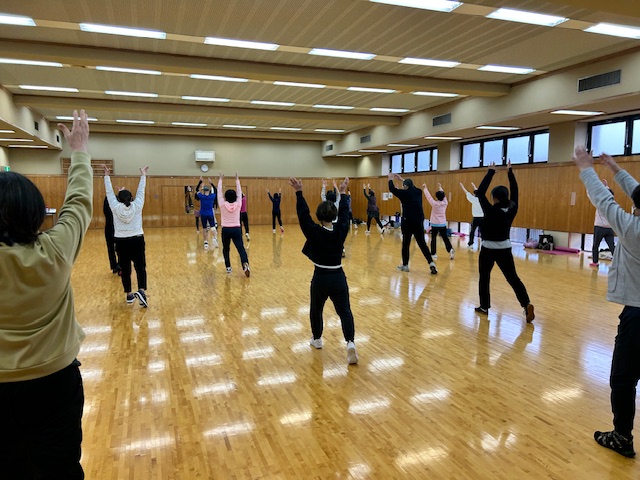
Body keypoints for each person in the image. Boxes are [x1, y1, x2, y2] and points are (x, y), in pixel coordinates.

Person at [0, 110, 90, 479]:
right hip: (55, 383)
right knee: (61, 469)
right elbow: (78, 204)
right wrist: (79, 152)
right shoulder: (55, 251)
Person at [574, 146, 640, 458]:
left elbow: (604, 201)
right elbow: (637, 193)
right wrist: (614, 168)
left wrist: (585, 167)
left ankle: (622, 437)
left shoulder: (633, 230)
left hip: (638, 316)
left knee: (622, 379)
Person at [289, 175, 358, 365]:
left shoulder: (314, 232)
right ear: (333, 216)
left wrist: (299, 193)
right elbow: (345, 215)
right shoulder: (341, 230)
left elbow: (303, 215)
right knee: (345, 311)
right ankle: (350, 342)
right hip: (338, 277)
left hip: (320, 277)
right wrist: (343, 194)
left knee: (316, 309)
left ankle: (317, 339)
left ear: (319, 217)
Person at [474, 160, 534, 323]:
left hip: (488, 249)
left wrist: (490, 172)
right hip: (505, 248)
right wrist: (510, 173)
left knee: (484, 277)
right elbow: (515, 191)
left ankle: (484, 306)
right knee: (513, 278)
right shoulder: (513, 207)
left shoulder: (491, 210)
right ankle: (526, 303)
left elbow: (480, 193)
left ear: (494, 198)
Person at [104, 164, 149, 308]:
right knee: (140, 266)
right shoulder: (137, 205)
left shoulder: (115, 207)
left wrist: (106, 176)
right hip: (137, 239)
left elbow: (109, 193)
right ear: (131, 197)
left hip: (121, 242)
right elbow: (141, 191)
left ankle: (129, 294)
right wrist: (143, 175)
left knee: (125, 269)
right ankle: (141, 290)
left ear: (118, 199)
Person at [388, 173, 437, 274]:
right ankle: (431, 263)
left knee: (406, 244)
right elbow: (411, 186)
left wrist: (390, 179)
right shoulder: (418, 192)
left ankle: (405, 265)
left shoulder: (404, 194)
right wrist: (402, 180)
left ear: (405, 186)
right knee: (422, 243)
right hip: (418, 221)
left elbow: (392, 189)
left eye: (404, 186)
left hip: (408, 222)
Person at [219, 172, 250, 277]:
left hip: (226, 230)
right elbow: (239, 193)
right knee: (241, 248)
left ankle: (228, 267)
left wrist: (220, 179)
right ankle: (245, 264)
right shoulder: (238, 204)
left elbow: (219, 192)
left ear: (225, 197)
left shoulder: (222, 205)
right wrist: (237, 179)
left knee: (226, 249)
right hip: (236, 229)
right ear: (236, 197)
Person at [423, 182, 454, 260]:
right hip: (442, 224)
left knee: (433, 238)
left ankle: (433, 254)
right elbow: (444, 196)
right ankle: (450, 249)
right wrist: (440, 187)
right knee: (445, 238)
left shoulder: (434, 204)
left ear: (436, 197)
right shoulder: (445, 203)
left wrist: (425, 188)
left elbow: (428, 197)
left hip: (434, 224)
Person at [589, 178, 616, 267]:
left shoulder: (600, 203)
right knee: (612, 246)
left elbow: (591, 195)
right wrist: (606, 186)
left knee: (595, 245)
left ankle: (595, 262)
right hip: (610, 228)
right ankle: (619, 262)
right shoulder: (613, 204)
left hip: (599, 227)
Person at [195, 177, 218, 249]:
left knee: (204, 228)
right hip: (210, 214)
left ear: (204, 191)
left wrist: (200, 182)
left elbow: (196, 190)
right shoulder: (212, 196)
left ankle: (206, 242)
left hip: (203, 214)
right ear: (209, 191)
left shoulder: (201, 196)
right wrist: (211, 183)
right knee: (213, 227)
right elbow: (215, 190)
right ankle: (214, 238)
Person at [460, 182, 484, 247]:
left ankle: (470, 244)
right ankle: (484, 243)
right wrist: (474, 186)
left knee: (472, 231)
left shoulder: (473, 199)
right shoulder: (482, 199)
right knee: (483, 231)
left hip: (476, 218)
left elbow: (466, 192)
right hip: (483, 218)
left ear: (474, 194)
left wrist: (462, 186)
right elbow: (477, 192)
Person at [104, 195, 120, 274]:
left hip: (109, 229)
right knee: (119, 249)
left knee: (111, 249)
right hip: (117, 229)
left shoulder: (107, 208)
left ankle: (114, 266)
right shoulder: (117, 207)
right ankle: (120, 266)